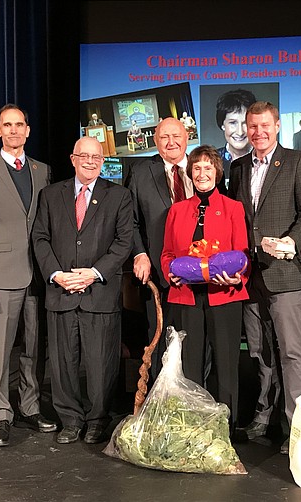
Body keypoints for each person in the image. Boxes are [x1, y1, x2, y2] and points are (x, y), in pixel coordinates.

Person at [227, 101, 301, 454]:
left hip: (285, 274)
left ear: (277, 125)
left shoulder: (297, 162)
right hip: (248, 278)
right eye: (253, 127)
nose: (258, 132)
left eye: (265, 126)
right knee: (260, 353)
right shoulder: (236, 168)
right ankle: (264, 417)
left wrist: (291, 242)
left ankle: (299, 427)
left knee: (292, 354)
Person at [31, 137, 133, 445]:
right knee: (62, 364)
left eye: (96, 157)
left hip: (99, 294)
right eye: (84, 156)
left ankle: (97, 420)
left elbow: (123, 242)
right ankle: (71, 420)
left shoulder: (119, 196)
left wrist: (93, 273)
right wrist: (57, 274)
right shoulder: (50, 195)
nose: (90, 161)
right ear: (72, 159)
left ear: (103, 162)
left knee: (101, 363)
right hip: (60, 292)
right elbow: (40, 237)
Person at [0, 103, 56, 447]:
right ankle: (1, 415)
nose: (15, 130)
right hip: (1, 275)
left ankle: (30, 407)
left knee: (34, 347)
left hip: (39, 273)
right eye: (8, 125)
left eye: (20, 124)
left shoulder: (42, 170)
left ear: (28, 130)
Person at [161, 145, 249, 429]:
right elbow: (167, 255)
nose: (202, 173)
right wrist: (170, 274)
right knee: (190, 365)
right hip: (186, 297)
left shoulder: (233, 208)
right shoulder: (176, 210)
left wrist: (238, 277)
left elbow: (243, 253)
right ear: (191, 173)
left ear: (217, 172)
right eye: (196, 168)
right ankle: (193, 426)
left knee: (226, 365)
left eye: (207, 167)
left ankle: (227, 427)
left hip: (223, 295)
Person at [125, 117, 194, 379]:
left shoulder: (203, 167)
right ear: (155, 140)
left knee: (196, 344)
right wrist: (140, 254)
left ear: (187, 137)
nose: (171, 142)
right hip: (157, 275)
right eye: (164, 137)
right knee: (159, 342)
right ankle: (159, 404)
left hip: (199, 276)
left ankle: (195, 400)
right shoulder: (141, 172)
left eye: (176, 135)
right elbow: (129, 221)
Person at [215, 88, 257, 188]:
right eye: (233, 123)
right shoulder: (211, 160)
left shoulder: (265, 159)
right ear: (222, 125)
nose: (240, 132)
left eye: (245, 123)